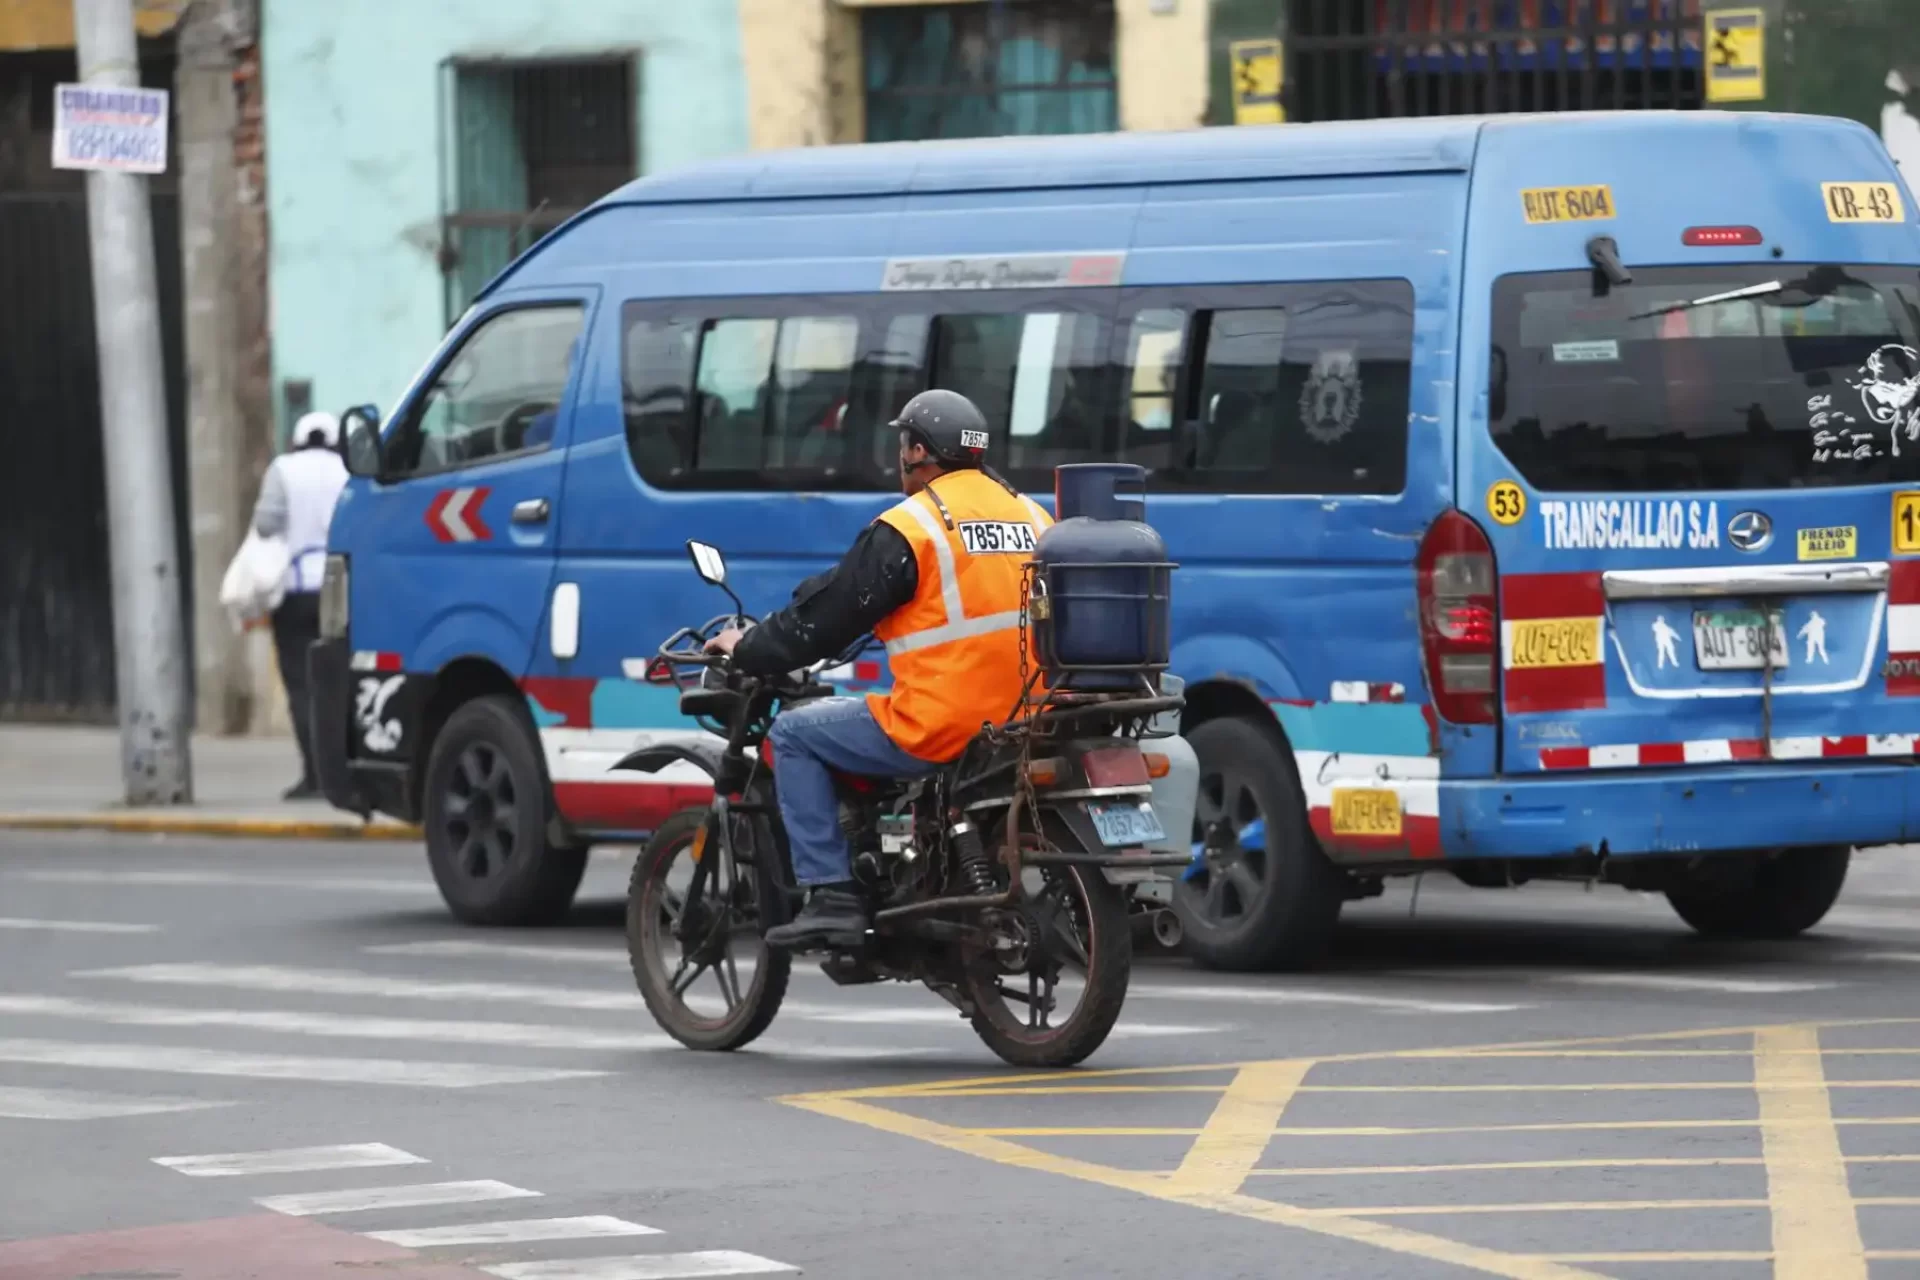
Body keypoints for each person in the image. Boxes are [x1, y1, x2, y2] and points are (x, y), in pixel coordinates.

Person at [704, 389, 1053, 949]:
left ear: (917, 451)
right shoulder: (1034, 514)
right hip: (1033, 715)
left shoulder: (915, 522)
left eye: (903, 444)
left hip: (949, 722)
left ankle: (833, 896)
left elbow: (826, 617)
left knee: (794, 734)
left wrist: (749, 646)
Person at [251, 410, 349, 799]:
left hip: (294, 592)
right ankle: (342, 774)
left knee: (300, 686)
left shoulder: (283, 469)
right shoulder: (347, 471)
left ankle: (314, 775)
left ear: (297, 440)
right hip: (340, 590)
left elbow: (265, 524)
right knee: (340, 683)